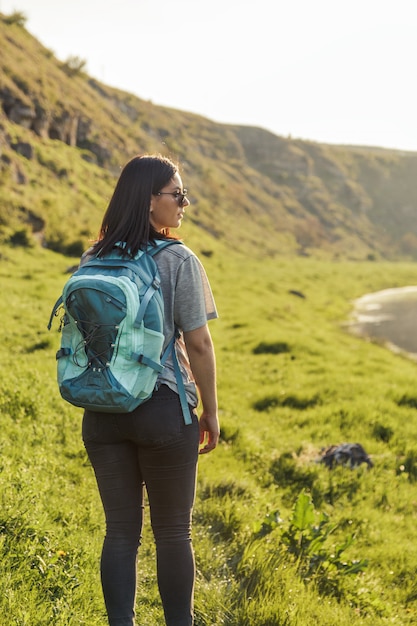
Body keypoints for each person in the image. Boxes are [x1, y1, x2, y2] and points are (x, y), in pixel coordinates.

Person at [81, 154, 220, 626]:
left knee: (120, 533)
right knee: (173, 533)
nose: (185, 203)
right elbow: (199, 344)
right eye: (177, 195)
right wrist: (212, 413)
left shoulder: (94, 257)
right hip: (164, 409)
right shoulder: (179, 259)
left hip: (102, 410)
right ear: (148, 201)